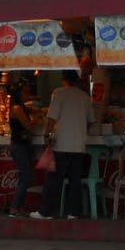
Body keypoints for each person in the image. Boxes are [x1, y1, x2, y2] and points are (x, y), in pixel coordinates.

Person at [36, 70, 92, 220]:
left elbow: (52, 118)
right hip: (79, 146)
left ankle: (46, 212)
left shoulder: (59, 93)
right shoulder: (85, 97)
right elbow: (91, 121)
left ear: (63, 79)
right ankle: (73, 212)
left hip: (61, 144)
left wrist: (47, 134)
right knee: (75, 181)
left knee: (54, 180)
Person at [8, 82, 39, 216]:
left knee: (24, 177)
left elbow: (39, 110)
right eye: (25, 92)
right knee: (27, 177)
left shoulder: (23, 107)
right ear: (18, 94)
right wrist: (36, 119)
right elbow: (29, 127)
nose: (28, 95)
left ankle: (18, 206)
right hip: (19, 146)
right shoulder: (17, 109)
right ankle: (14, 207)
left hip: (23, 145)